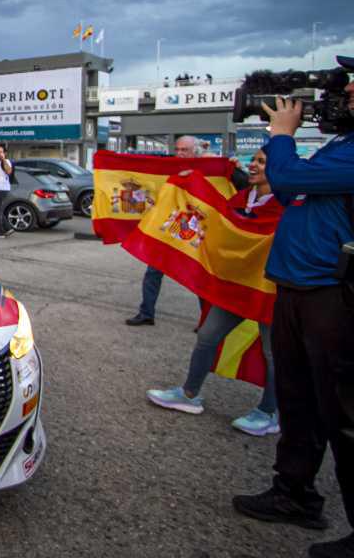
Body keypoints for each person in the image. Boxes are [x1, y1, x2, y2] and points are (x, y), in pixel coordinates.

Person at [233, 59, 354, 557]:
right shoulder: (341, 146)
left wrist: (282, 134)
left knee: (343, 414)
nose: (344, 92)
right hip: (299, 291)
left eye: (353, 86)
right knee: (299, 401)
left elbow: (289, 174)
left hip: (334, 297)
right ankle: (294, 494)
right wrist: (279, 155)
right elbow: (287, 185)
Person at [146, 148, 283, 436]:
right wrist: (189, 182)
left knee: (274, 354)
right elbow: (214, 216)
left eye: (262, 162)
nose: (254, 166)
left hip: (269, 290)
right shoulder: (241, 199)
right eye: (254, 160)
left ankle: (269, 412)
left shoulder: (287, 203)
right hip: (237, 287)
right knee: (207, 335)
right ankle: (189, 394)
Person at [126, 135, 205, 325]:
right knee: (153, 272)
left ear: (195, 151)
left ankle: (206, 321)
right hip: (167, 228)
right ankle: (146, 313)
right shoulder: (166, 170)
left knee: (199, 276)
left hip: (193, 230)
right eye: (177, 149)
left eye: (184, 150)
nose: (179, 153)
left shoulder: (205, 172)